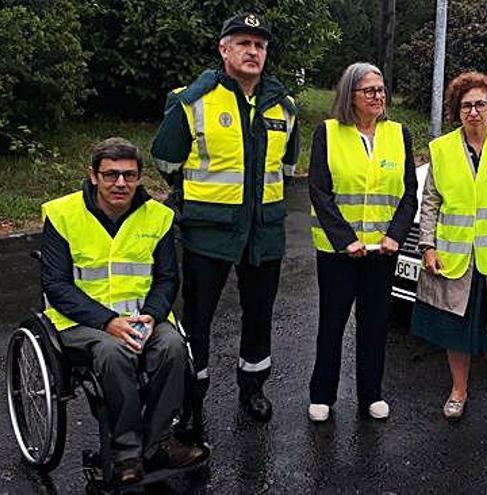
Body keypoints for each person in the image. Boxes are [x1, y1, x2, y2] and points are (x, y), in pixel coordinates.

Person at [151, 12, 300, 423]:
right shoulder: (193, 99)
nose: (253, 51)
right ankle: (192, 398)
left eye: (260, 45)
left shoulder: (284, 106)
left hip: (264, 232)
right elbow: (165, 159)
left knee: (259, 316)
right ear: (224, 49)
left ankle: (253, 388)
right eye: (243, 43)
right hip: (208, 233)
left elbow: (287, 169)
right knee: (198, 318)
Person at [40, 138, 206, 485]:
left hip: (141, 316)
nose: (120, 184)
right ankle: (127, 453)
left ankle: (158, 445)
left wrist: (152, 314)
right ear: (93, 175)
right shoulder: (63, 214)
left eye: (129, 176)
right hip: (80, 322)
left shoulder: (158, 217)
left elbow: (166, 279)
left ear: (139, 177)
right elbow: (56, 285)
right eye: (111, 175)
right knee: (113, 353)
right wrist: (107, 322)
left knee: (173, 347)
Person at [410, 72, 487, 422]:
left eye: (480, 104)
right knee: (456, 331)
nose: (473, 111)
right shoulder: (441, 149)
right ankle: (458, 390)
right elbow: (430, 202)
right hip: (455, 256)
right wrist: (427, 245)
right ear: (456, 111)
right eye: (466, 105)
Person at [307, 62, 417, 422]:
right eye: (369, 90)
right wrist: (345, 240)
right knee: (332, 323)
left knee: (374, 325)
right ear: (350, 95)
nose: (378, 96)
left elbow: (409, 195)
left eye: (382, 89)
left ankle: (372, 394)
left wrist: (395, 236)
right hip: (339, 252)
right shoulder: (328, 133)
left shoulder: (399, 134)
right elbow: (319, 191)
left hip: (382, 252)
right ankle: (322, 394)